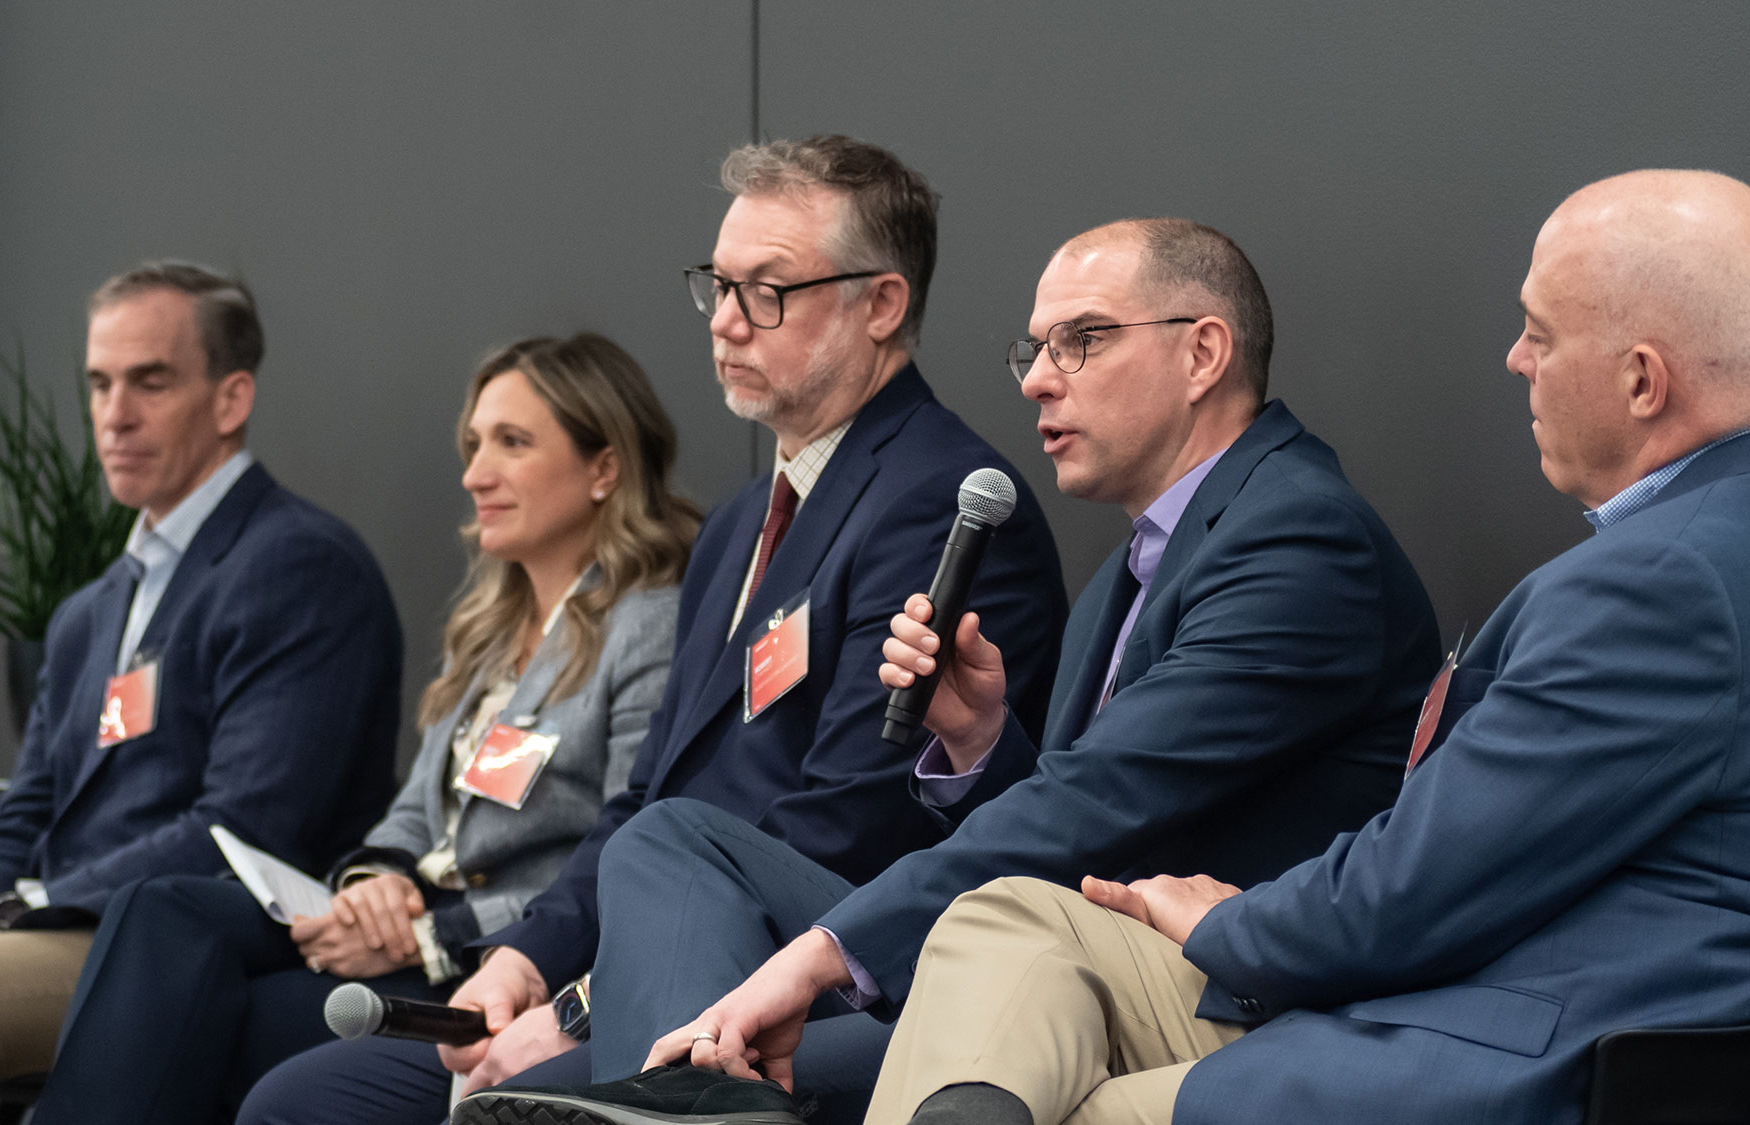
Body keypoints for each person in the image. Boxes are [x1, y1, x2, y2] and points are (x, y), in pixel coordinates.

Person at [848, 170, 1750, 1125]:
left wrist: (1227, 918)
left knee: (1072, 1104)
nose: (1512, 360)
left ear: (1642, 381)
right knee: (1009, 927)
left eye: (1539, 334)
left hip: (1503, 1056)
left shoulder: (1667, 582)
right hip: (1504, 1011)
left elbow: (1412, 892)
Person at [451, 217, 1442, 1125]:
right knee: (671, 841)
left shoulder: (1296, 540)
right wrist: (975, 743)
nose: (1036, 380)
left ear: (1201, 351)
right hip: (1040, 946)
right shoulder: (1129, 568)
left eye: (1080, 341)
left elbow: (1095, 809)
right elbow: (1083, 822)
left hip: (1193, 988)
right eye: (1034, 348)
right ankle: (693, 1101)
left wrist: (812, 958)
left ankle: (689, 1102)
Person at [242, 135, 1067, 1125]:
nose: (725, 322)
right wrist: (522, 962)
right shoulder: (732, 526)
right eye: (716, 287)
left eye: (767, 291)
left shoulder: (936, 501)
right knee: (300, 1102)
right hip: (641, 957)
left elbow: (854, 828)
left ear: (881, 305)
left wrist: (578, 1007)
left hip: (810, 986)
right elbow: (645, 792)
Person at [28, 333, 697, 1123]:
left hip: (496, 963)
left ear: (605, 468)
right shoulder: (489, 630)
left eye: (512, 444)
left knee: (204, 1023)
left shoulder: (647, 623)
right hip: (407, 929)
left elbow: (619, 849)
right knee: (162, 908)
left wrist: (429, 932)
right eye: (474, 444)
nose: (475, 473)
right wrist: (371, 884)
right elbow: (414, 814)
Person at [0, 262, 403, 1122]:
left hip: (177, 944)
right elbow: (24, 808)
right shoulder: (90, 609)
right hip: (57, 927)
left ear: (230, 401)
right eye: (100, 383)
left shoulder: (299, 565)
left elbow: (245, 828)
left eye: (150, 382)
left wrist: (17, 912)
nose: (114, 415)